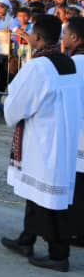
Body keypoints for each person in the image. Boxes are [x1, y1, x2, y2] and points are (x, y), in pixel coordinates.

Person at [0, 14, 83, 272]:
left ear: (36, 37)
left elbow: (16, 105)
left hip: (43, 139)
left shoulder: (39, 66)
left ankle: (59, 255)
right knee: (34, 192)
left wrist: (10, 106)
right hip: (58, 137)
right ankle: (27, 238)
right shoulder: (66, 63)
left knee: (50, 199)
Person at [59, 16, 84, 249]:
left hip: (78, 133)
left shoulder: (73, 64)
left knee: (78, 186)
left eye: (65, 34)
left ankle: (76, 232)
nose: (63, 38)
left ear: (75, 38)